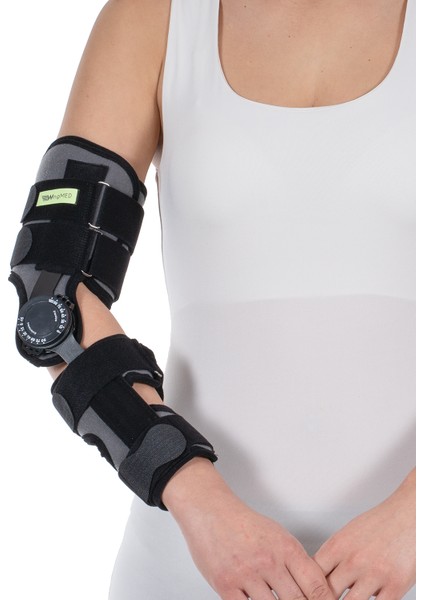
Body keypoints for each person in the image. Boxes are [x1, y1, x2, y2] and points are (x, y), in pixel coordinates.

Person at [11, 0, 416, 599]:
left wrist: (415, 517)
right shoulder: (155, 17)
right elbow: (53, 292)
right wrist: (199, 501)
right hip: (191, 558)